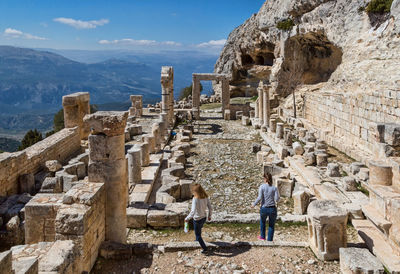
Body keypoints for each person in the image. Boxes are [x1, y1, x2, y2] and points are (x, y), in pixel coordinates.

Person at [185, 184, 212, 254]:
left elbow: (193, 211)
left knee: (198, 234)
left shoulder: (195, 199)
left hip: (197, 219)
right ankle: (197, 240)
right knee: (199, 229)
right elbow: (210, 208)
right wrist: (209, 216)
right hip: (204, 218)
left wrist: (187, 218)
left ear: (195, 191)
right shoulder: (206, 197)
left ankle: (205, 249)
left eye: (193, 191)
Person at [252, 172, 280, 241]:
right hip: (272, 208)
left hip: (264, 208)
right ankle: (269, 240)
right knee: (271, 225)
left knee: (262, 222)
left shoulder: (262, 186)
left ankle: (262, 237)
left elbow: (260, 197)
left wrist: (254, 204)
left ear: (265, 179)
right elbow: (277, 199)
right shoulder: (274, 188)